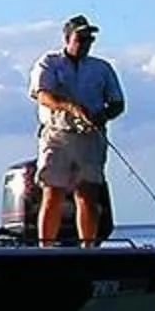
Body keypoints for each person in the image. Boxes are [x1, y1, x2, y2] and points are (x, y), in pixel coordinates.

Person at [29, 14, 125, 245]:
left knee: (88, 193)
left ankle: (88, 247)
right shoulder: (49, 62)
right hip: (57, 135)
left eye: (89, 39)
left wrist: (101, 116)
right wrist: (70, 107)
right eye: (80, 38)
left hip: (90, 136)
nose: (85, 44)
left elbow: (117, 103)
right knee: (53, 192)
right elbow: (43, 94)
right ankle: (46, 247)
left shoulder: (101, 68)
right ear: (67, 38)